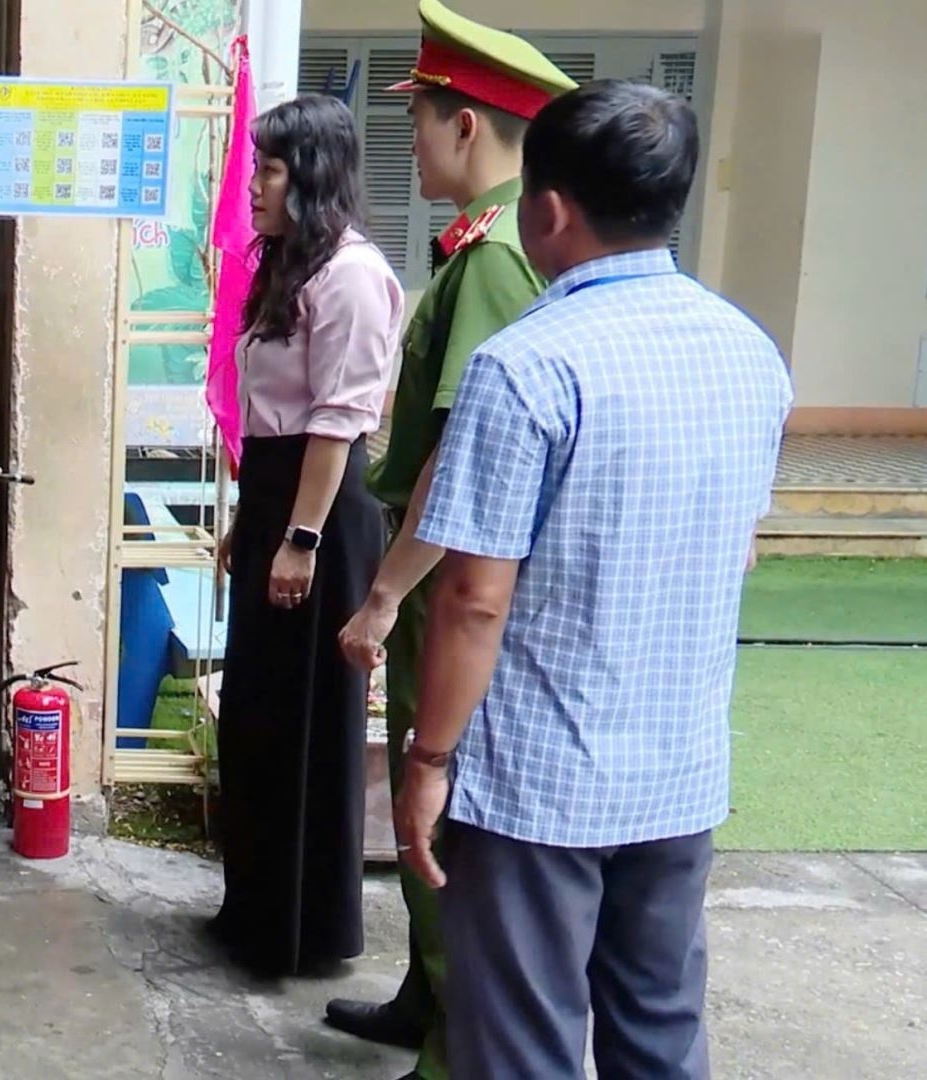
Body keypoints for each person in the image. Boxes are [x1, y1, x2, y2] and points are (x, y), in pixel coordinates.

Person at [397, 79, 791, 1079]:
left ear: (547, 209)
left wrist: (428, 758)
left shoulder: (524, 363)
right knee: (658, 1029)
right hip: (678, 768)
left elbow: (472, 598)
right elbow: (740, 544)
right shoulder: (748, 352)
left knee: (519, 1046)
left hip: (537, 784)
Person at [322, 4, 573, 1075]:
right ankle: (427, 998)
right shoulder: (490, 243)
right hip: (448, 560)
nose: (411, 143)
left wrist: (385, 593)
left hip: (453, 570)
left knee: (441, 807)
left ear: (463, 125)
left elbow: (464, 454)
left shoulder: (494, 259)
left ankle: (453, 1042)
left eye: (417, 120)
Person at [209, 94, 403, 977]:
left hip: (318, 511)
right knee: (257, 714)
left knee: (308, 718)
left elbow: (335, 423)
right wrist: (249, 522)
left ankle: (306, 931)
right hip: (277, 499)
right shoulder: (291, 266)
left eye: (271, 169)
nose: (254, 186)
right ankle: (255, 911)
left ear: (312, 176)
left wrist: (298, 537)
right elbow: (268, 421)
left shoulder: (351, 275)